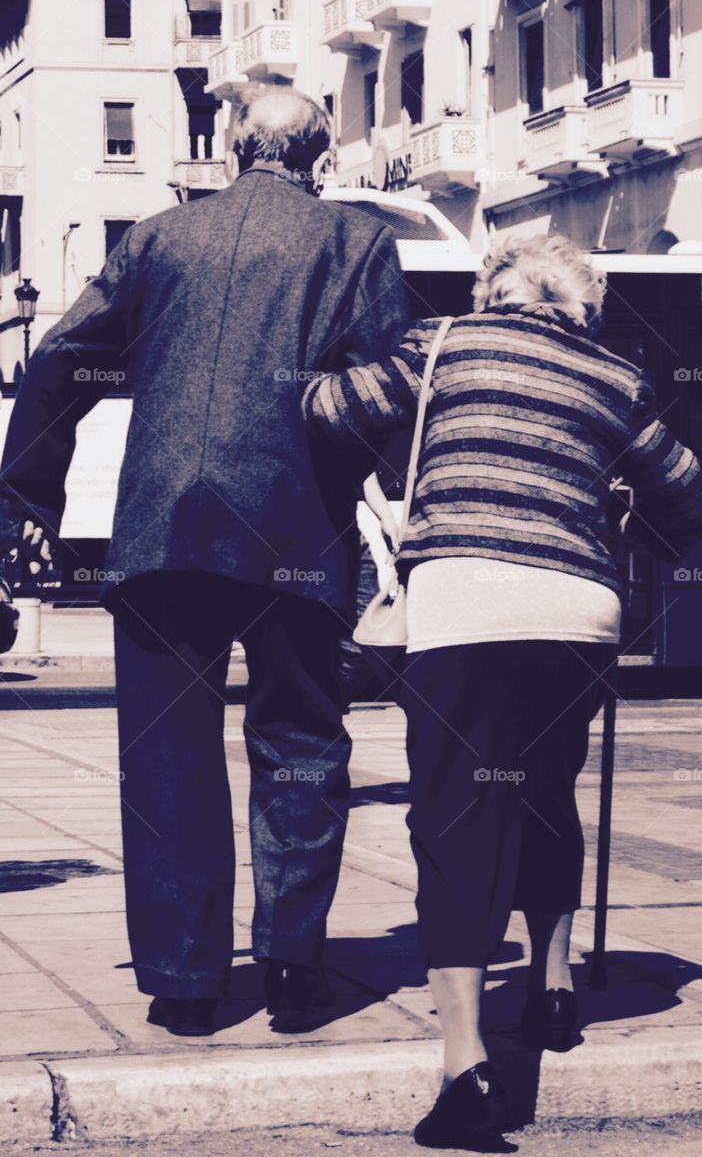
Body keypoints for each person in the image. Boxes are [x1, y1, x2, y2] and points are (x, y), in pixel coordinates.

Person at [0, 85, 411, 1037]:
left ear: (231, 149)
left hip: (159, 532)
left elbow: (63, 358)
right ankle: (293, 966)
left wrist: (26, 499)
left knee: (167, 760)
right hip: (293, 527)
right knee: (299, 743)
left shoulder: (156, 239)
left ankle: (185, 981)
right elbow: (384, 391)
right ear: (321, 154)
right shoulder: (356, 244)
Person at [303, 233, 702, 1146]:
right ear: (582, 308)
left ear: (495, 291)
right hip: (577, 620)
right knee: (541, 797)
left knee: (456, 820)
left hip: (467, 608)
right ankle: (555, 985)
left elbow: (335, 409)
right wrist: (613, 505)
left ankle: (465, 1070)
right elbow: (692, 499)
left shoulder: (442, 343)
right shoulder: (615, 377)